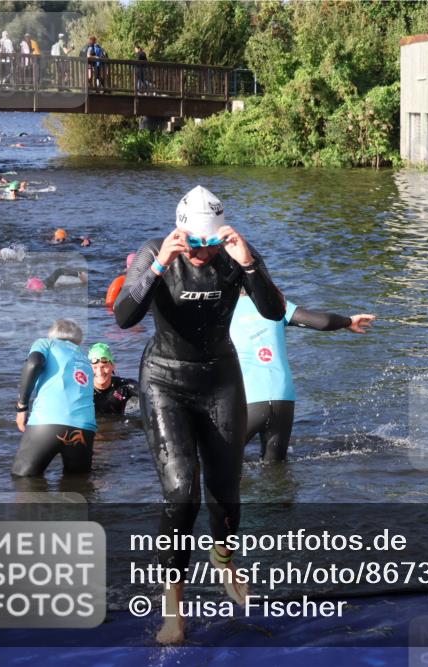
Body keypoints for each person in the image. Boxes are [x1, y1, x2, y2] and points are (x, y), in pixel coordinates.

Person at [114, 185, 285, 644]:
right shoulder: (156, 253)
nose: (202, 253)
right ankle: (175, 609)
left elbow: (274, 311)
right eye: (193, 243)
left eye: (209, 244)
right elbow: (124, 317)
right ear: (179, 232)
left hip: (220, 380)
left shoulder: (234, 254)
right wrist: (156, 266)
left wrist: (248, 263)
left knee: (226, 495)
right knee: (181, 491)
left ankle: (224, 560)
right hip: (165, 380)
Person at [231, 297, 375, 461]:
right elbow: (323, 322)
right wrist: (348, 321)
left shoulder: (222, 305)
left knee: (220, 459)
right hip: (284, 399)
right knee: (275, 469)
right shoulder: (275, 301)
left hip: (249, 400)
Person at [13, 319, 97, 476]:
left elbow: (33, 363)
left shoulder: (46, 343)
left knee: (23, 479)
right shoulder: (85, 359)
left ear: (53, 334)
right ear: (79, 339)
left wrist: (22, 406)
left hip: (47, 423)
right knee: (77, 485)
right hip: (85, 428)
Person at [87, 343, 139, 416]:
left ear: (113, 366)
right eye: (95, 367)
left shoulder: (124, 386)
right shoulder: (83, 389)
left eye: (104, 367)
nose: (99, 372)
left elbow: (149, 393)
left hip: (118, 426)